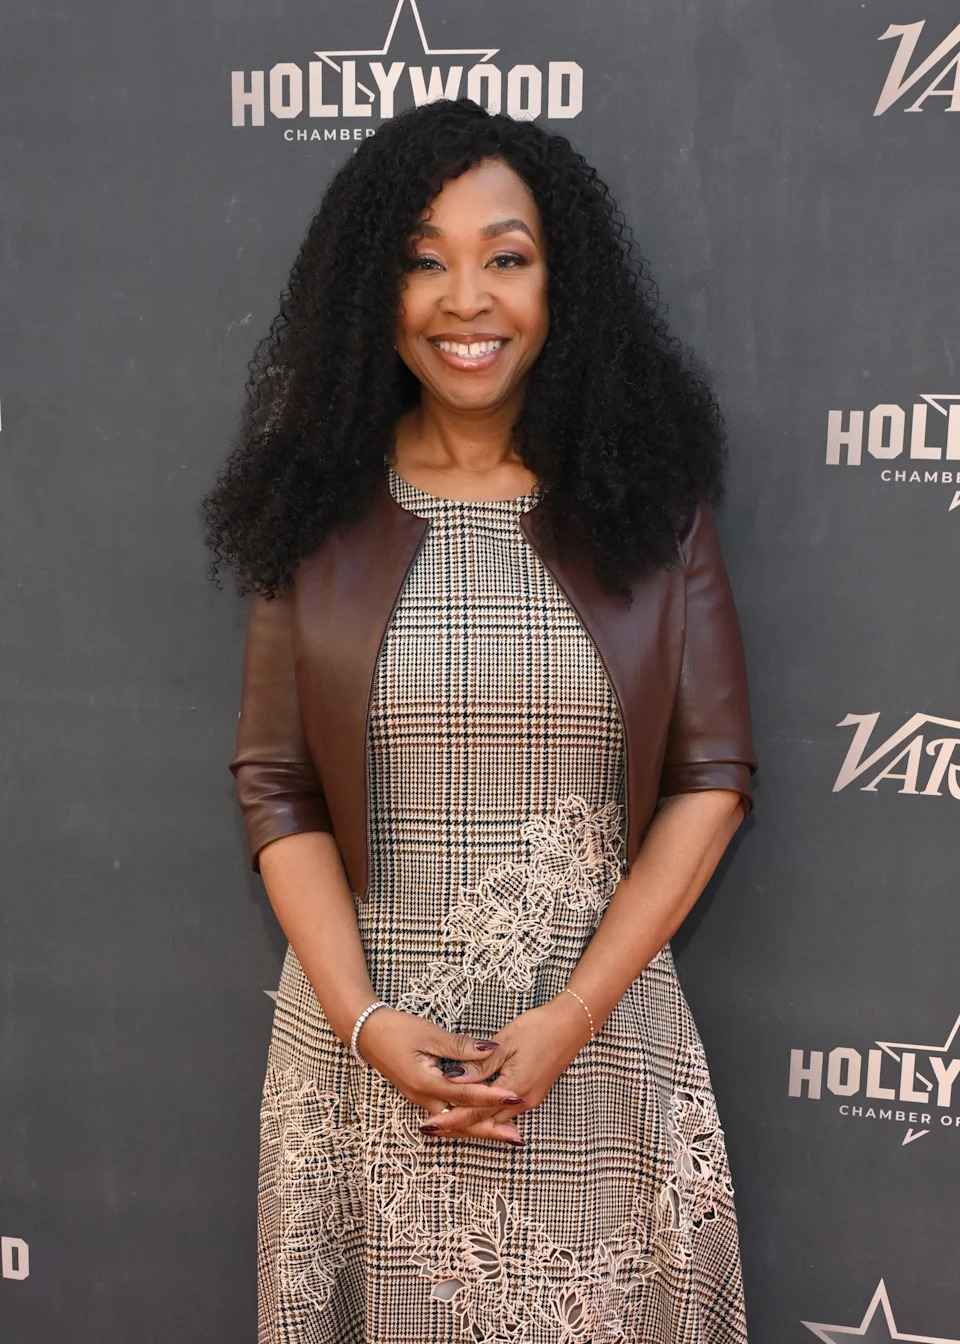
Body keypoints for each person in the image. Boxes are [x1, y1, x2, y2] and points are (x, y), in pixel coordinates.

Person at [200, 96, 758, 1344]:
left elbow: (711, 778)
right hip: (363, 1057)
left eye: (506, 258)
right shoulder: (309, 507)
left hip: (597, 1050)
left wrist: (572, 1017)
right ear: (374, 289)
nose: (466, 301)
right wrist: (364, 1021)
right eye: (423, 260)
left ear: (562, 286)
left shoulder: (649, 508)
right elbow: (277, 785)